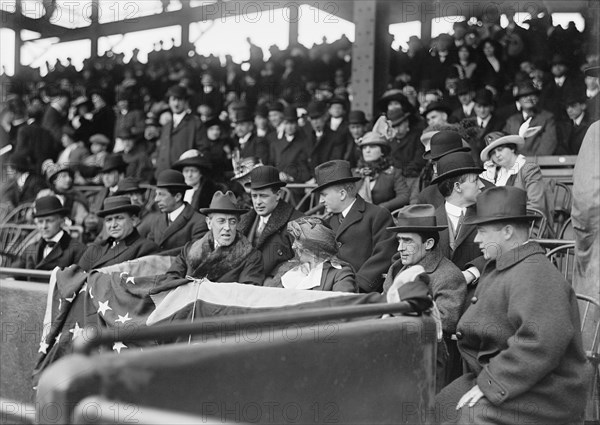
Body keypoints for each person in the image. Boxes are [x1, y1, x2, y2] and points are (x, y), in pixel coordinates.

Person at [435, 186, 588, 424]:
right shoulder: (505, 266)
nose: (476, 239)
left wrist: (490, 383)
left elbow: (540, 343)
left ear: (507, 232)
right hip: (511, 376)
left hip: (548, 391)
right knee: (439, 405)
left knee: (470, 417)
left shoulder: (536, 273)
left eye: (482, 232)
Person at [383, 204, 466, 391]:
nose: (400, 248)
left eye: (407, 241)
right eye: (399, 240)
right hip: (391, 349)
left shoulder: (449, 275)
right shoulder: (396, 268)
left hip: (427, 360)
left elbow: (445, 321)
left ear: (428, 244)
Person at [315, 160, 397, 293]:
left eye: (324, 195)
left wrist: (359, 284)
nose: (320, 201)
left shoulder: (377, 215)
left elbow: (384, 254)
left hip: (362, 291)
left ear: (342, 194)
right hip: (332, 289)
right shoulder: (329, 221)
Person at [161, 191, 264, 286]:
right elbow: (170, 280)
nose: (227, 228)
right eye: (221, 221)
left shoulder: (251, 257)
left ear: (237, 224)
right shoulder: (189, 250)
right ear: (209, 223)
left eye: (232, 222)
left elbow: (248, 295)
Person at [238, 165, 304, 278]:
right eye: (254, 196)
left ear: (278, 195)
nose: (257, 202)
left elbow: (303, 265)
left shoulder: (298, 223)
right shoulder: (244, 221)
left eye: (263, 196)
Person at [430, 151, 485, 282]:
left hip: (477, 292)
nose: (482, 185)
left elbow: (501, 249)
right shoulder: (429, 220)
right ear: (458, 187)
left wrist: (472, 272)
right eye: (476, 180)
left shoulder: (488, 216)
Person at [479, 132, 553, 227]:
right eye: (493, 153)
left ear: (512, 148)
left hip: (528, 226)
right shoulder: (496, 174)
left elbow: (536, 206)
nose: (497, 155)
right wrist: (488, 175)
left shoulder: (529, 169)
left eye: (500, 150)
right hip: (502, 226)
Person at [266, 216, 357, 292]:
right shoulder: (288, 269)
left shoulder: (340, 274)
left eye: (298, 241)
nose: (293, 246)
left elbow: (342, 306)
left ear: (313, 247)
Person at [78, 196, 159, 271]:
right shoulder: (97, 246)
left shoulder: (145, 248)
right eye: (109, 220)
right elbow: (76, 273)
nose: (113, 225)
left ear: (134, 221)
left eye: (119, 218)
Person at [142, 169, 208, 254]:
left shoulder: (199, 222)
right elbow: (148, 249)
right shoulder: (157, 220)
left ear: (177, 196)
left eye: (161, 194)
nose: (156, 199)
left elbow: (194, 255)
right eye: (156, 194)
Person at [13, 196, 85, 270]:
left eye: (49, 221)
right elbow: (12, 273)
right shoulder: (30, 248)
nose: (44, 226)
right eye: (40, 222)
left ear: (62, 221)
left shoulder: (78, 250)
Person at [155, 85, 204, 179]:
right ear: (169, 102)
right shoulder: (166, 125)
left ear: (185, 102)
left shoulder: (195, 123)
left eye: (180, 100)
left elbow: (203, 150)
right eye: (173, 99)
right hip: (164, 175)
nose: (176, 104)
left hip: (183, 176)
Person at [353, 131, 410, 211]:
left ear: (382, 151)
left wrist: (382, 207)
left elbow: (404, 196)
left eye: (372, 146)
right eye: (364, 147)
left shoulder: (393, 173)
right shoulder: (355, 173)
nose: (367, 150)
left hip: (383, 217)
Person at [502, 80, 557, 155]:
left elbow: (548, 145)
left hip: (538, 163)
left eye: (532, 95)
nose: (529, 98)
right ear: (519, 101)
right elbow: (505, 144)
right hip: (515, 164)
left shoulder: (547, 118)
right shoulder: (512, 121)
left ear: (537, 98)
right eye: (524, 96)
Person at [37, 160, 89, 226]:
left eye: (69, 176)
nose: (68, 179)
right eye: (64, 176)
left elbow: (83, 218)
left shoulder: (77, 196)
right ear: (54, 180)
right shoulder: (44, 195)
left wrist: (71, 222)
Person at [268, 105, 312, 183]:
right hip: (278, 184)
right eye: (287, 123)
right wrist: (278, 174)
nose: (289, 127)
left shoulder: (304, 143)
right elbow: (271, 165)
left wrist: (291, 178)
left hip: (296, 186)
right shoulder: (275, 144)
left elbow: (305, 169)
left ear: (296, 124)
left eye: (292, 123)